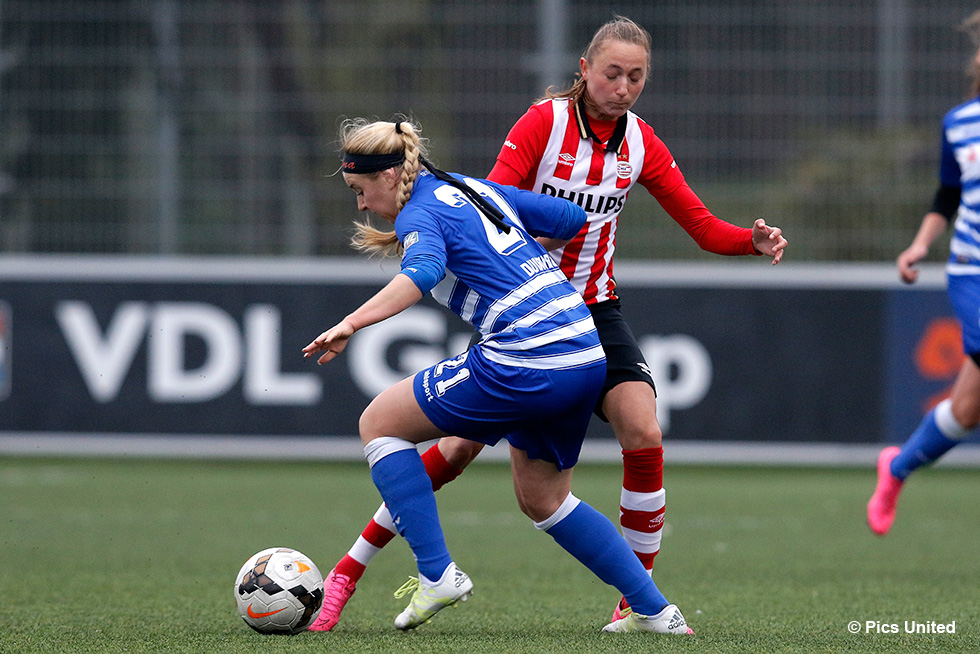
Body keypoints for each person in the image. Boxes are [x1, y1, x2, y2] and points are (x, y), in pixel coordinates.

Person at [311, 16, 787, 632]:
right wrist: (512, 249)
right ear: (584, 70)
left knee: (640, 432)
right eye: (612, 73)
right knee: (494, 474)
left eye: (636, 77)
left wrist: (747, 242)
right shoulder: (543, 122)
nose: (624, 87)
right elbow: (518, 205)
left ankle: (612, 603)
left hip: (564, 320)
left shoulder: (640, 144)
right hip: (558, 327)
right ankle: (355, 567)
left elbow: (694, 224)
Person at [304, 116, 694, 634]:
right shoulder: (472, 187)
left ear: (391, 174)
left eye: (359, 189)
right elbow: (570, 216)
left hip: (526, 356)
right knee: (545, 500)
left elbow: (418, 275)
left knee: (379, 423)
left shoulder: (418, 214)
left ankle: (437, 574)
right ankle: (656, 612)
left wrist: (351, 322)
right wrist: (514, 251)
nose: (359, 203)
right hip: (583, 351)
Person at [868, 10, 980, 537]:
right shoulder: (959, 123)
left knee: (965, 409)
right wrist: (918, 246)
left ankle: (897, 466)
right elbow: (948, 197)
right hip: (971, 269)